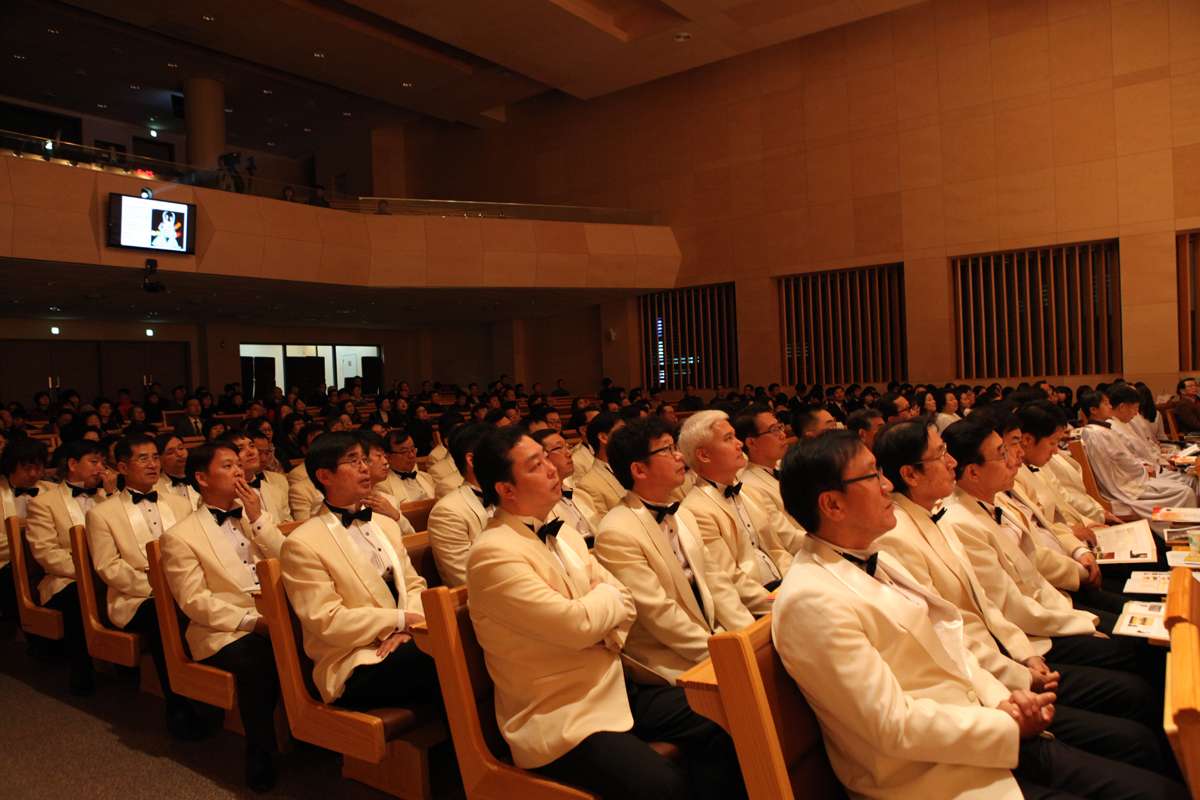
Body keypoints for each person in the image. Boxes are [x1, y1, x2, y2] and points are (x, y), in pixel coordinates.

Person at [772, 429, 1187, 800]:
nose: (887, 485)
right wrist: (1006, 723)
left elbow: (952, 643)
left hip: (983, 725)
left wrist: (1007, 699)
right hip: (934, 775)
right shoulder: (811, 601)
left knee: (1142, 752)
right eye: (871, 476)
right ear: (832, 504)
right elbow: (891, 725)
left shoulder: (872, 556)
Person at [467, 425, 748, 800]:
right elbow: (578, 626)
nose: (552, 468)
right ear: (506, 489)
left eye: (548, 458)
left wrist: (596, 606)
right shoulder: (493, 553)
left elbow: (625, 601)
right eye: (536, 465)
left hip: (616, 685)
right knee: (661, 786)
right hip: (562, 713)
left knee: (727, 716)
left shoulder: (564, 533)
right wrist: (599, 604)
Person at [874, 420, 1169, 770]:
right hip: (994, 674)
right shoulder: (907, 534)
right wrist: (1022, 671)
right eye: (941, 454)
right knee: (1136, 704)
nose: (951, 462)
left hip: (1016, 647)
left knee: (1145, 664)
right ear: (910, 473)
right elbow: (953, 631)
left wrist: (1026, 656)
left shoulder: (933, 514)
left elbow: (988, 603)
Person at [279, 432, 436, 710]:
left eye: (365, 459)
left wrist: (409, 629)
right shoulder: (302, 543)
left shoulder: (384, 524)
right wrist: (399, 621)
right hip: (353, 660)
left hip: (405, 640)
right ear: (324, 476)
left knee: (456, 645)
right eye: (353, 461)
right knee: (442, 655)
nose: (365, 467)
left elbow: (413, 585)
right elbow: (328, 620)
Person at [160, 441, 284, 791]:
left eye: (238, 465)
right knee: (258, 659)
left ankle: (317, 732)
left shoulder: (253, 516)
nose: (238, 471)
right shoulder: (180, 536)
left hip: (274, 610)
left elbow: (289, 560)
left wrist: (258, 518)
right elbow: (194, 601)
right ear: (202, 478)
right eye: (227, 466)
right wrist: (253, 623)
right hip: (223, 628)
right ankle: (258, 749)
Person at [595, 416, 753, 683]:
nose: (679, 456)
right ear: (639, 470)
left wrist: (749, 636)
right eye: (667, 449)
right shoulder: (616, 533)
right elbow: (660, 615)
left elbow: (717, 582)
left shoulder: (682, 514)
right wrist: (727, 655)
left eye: (675, 447)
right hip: (668, 659)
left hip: (713, 637)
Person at [85, 433, 205, 740]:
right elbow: (108, 566)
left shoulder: (181, 503)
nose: (152, 464)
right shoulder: (101, 513)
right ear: (122, 467)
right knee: (161, 613)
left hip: (186, 585)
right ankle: (177, 704)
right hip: (135, 597)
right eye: (143, 459)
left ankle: (211, 687)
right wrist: (159, 589)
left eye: (155, 457)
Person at [678, 411, 791, 616]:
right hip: (758, 605)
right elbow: (731, 580)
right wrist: (783, 604)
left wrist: (796, 585)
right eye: (728, 439)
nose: (739, 444)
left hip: (783, 588)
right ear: (704, 455)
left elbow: (778, 551)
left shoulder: (750, 493)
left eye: (735, 436)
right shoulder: (695, 510)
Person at [25, 440, 110, 695]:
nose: (100, 468)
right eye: (93, 462)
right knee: (79, 596)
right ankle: (81, 668)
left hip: (108, 573)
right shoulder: (43, 503)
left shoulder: (107, 497)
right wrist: (88, 572)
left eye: (103, 463)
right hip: (64, 578)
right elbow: (46, 553)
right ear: (72, 464)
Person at [425, 423, 492, 587]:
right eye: (498, 452)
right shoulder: (447, 513)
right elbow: (469, 580)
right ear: (472, 460)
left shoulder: (512, 496)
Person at [732, 405, 805, 554]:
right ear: (752, 443)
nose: (782, 435)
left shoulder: (782, 467)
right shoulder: (750, 487)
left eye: (780, 427)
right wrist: (834, 539)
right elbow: (788, 539)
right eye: (774, 430)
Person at [0, 438, 55, 630]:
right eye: (26, 468)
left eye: (38, 468)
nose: (34, 474)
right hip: (8, 561)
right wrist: (29, 547)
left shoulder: (54, 490)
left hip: (50, 558)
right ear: (10, 466)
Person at [531, 429, 599, 542]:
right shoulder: (536, 508)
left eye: (567, 447)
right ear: (542, 458)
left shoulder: (582, 496)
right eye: (560, 448)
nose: (569, 453)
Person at [573, 412, 626, 517]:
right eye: (622, 430)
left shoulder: (634, 467)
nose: (629, 436)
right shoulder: (588, 486)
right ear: (603, 437)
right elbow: (605, 525)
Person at [377, 429, 435, 502]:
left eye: (413, 450)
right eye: (404, 452)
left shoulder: (426, 477)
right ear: (389, 457)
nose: (411, 455)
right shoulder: (382, 486)